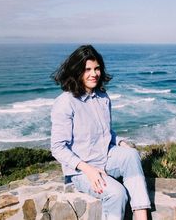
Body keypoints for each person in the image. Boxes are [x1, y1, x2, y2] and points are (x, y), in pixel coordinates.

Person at [50, 45, 150, 220]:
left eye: (96, 68)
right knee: (117, 193)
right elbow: (58, 148)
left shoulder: (103, 97)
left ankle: (141, 215)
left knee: (131, 154)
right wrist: (88, 170)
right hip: (81, 171)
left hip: (105, 158)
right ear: (76, 71)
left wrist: (119, 142)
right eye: (87, 69)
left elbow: (105, 132)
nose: (93, 74)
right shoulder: (65, 102)